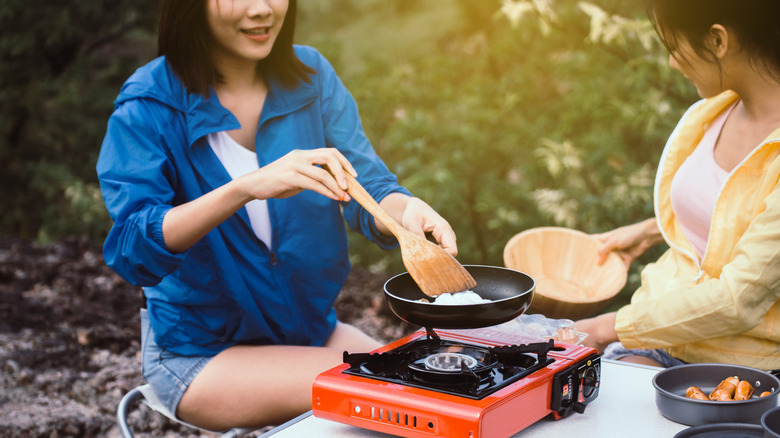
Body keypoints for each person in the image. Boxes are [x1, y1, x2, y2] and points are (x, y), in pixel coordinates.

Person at [97, 0, 461, 430]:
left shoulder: (311, 77)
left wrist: (407, 213)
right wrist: (242, 189)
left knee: (433, 394)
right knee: (392, 401)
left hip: (306, 333)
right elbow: (132, 248)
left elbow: (372, 189)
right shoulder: (149, 105)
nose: (262, 9)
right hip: (200, 355)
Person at [575, 0, 780, 371]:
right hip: (658, 336)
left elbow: (738, 299)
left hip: (741, 365)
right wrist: (654, 230)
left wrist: (606, 327)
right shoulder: (715, 111)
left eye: (674, 47)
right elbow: (740, 212)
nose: (672, 62)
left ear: (718, 40)